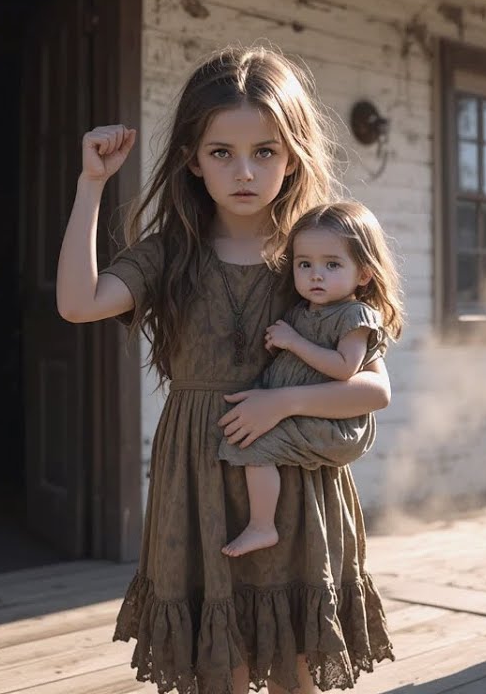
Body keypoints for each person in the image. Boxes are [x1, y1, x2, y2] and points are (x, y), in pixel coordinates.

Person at [55, 45, 393, 694]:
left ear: (293, 155)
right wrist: (91, 184)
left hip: (294, 478)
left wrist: (279, 405)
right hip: (197, 479)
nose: (245, 170)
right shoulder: (169, 255)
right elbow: (76, 303)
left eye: (265, 151)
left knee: (297, 662)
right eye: (222, 153)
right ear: (192, 158)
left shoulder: (316, 258)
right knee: (220, 667)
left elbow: (373, 388)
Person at [218, 202, 404, 558]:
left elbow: (344, 367)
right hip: (309, 413)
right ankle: (263, 523)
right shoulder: (306, 311)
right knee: (251, 440)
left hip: (334, 425)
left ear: (364, 274)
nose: (316, 275)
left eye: (332, 265)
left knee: (255, 444)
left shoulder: (355, 315)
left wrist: (294, 343)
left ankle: (262, 525)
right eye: (305, 264)